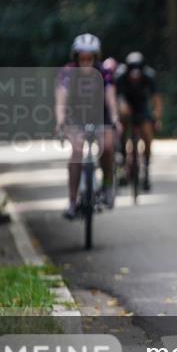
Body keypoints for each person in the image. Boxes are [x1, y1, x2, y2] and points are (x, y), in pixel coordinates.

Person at [55, 33, 120, 219]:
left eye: (89, 58)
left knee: (107, 147)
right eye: (81, 58)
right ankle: (72, 202)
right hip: (76, 117)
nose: (85, 62)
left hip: (101, 115)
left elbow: (110, 97)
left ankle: (108, 185)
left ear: (95, 58)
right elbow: (61, 99)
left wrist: (115, 118)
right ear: (76, 58)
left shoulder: (104, 72)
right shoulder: (68, 72)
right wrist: (60, 121)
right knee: (76, 151)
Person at [115, 51, 163, 191]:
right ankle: (123, 164)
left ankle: (146, 169)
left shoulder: (149, 76)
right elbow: (116, 97)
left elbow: (157, 99)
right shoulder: (120, 76)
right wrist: (121, 108)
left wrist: (157, 118)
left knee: (147, 136)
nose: (135, 76)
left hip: (142, 106)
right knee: (121, 131)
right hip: (125, 105)